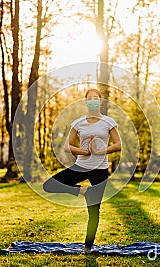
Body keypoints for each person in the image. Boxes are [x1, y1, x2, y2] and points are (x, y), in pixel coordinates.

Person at [43, 88, 121, 253]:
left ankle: (87, 247)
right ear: (86, 102)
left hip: (100, 169)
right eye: (89, 98)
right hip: (82, 166)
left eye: (96, 98)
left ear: (100, 101)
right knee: (49, 185)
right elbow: (67, 146)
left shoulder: (108, 122)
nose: (93, 100)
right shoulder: (79, 123)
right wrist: (84, 152)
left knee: (94, 210)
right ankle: (84, 191)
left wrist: (101, 151)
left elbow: (118, 145)